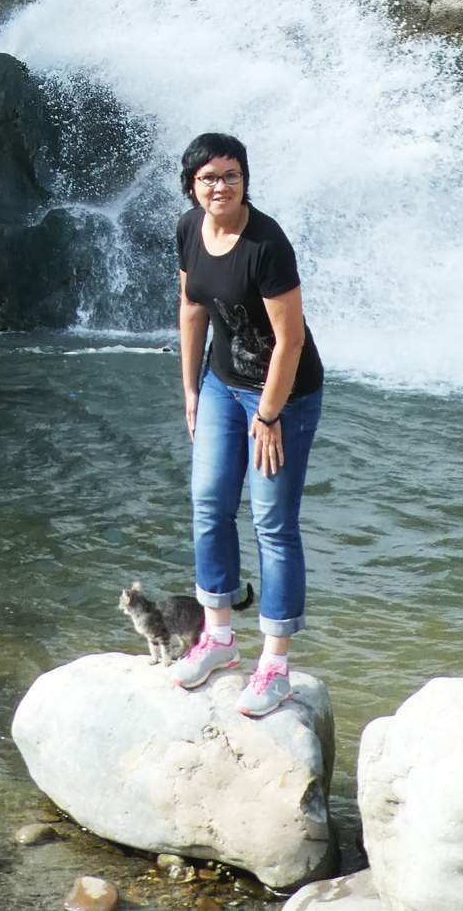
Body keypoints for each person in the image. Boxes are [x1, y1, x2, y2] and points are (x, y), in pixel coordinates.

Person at [169, 131, 323, 716]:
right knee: (209, 503)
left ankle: (276, 666)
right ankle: (219, 638)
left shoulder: (266, 243)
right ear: (191, 185)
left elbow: (291, 340)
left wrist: (269, 413)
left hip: (283, 394)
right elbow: (192, 309)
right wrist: (189, 389)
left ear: (245, 180)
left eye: (230, 175)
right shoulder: (190, 229)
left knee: (272, 523)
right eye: (208, 177)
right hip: (219, 386)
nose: (220, 186)